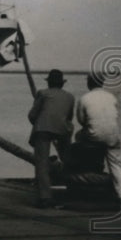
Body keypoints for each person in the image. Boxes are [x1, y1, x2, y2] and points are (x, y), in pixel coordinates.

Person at [27, 68, 75, 208]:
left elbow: (32, 115)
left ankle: (45, 197)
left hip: (43, 129)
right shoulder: (70, 97)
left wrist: (40, 123)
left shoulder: (42, 93)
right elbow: (69, 117)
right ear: (62, 83)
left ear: (49, 83)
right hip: (63, 130)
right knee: (67, 160)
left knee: (42, 164)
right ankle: (72, 190)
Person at [74, 73, 121, 200]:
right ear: (102, 83)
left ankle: (89, 170)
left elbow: (81, 120)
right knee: (117, 165)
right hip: (114, 135)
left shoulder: (84, 98)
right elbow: (116, 115)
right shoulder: (111, 97)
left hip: (94, 136)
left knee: (78, 136)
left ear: (89, 83)